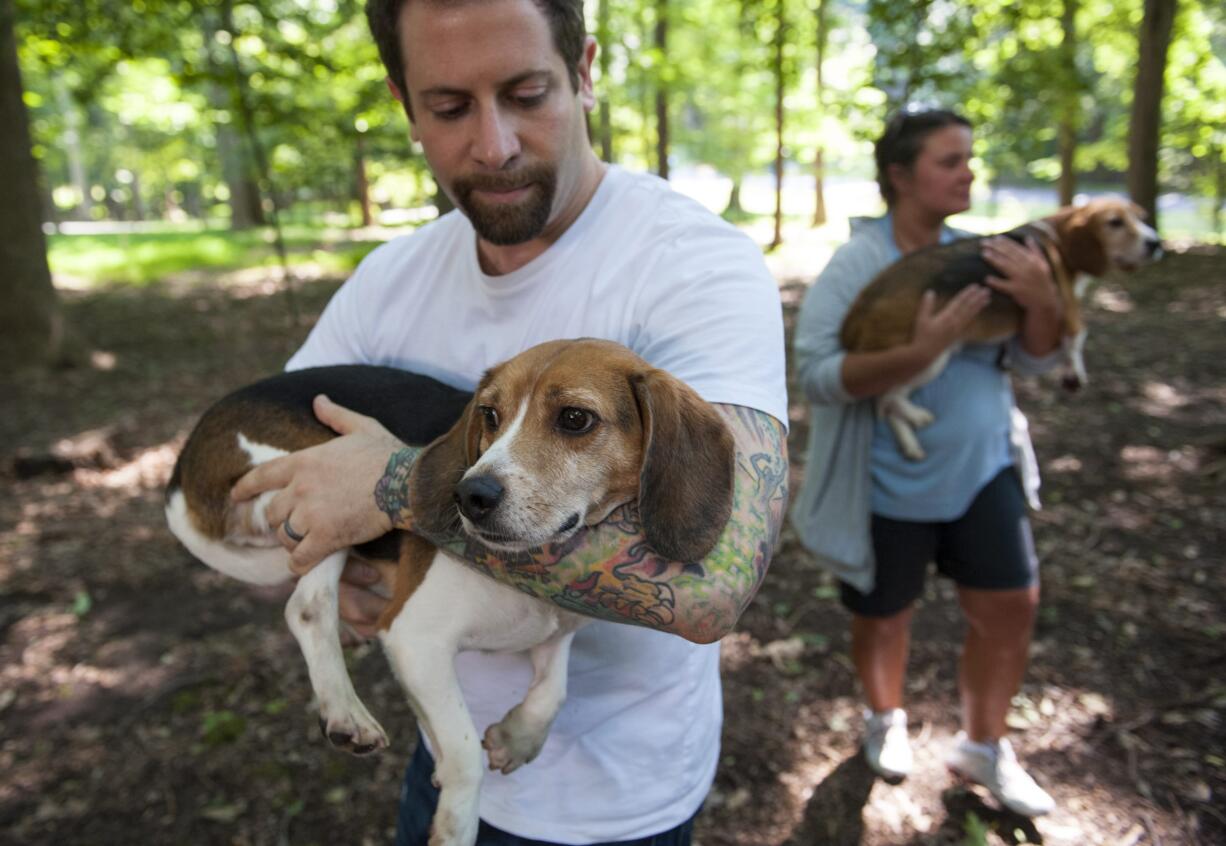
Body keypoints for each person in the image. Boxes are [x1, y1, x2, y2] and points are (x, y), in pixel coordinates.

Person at [230, 0, 789, 843]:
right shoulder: (391, 278)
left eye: (527, 94)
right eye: (450, 107)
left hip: (619, 797)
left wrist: (391, 489)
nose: (493, 145)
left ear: (585, 70)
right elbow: (258, 481)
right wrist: (338, 562)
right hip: (440, 753)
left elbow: (713, 583)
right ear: (404, 105)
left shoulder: (694, 266)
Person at [790, 107, 1060, 817]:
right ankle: (885, 718)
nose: (969, 172)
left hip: (984, 468)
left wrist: (1039, 302)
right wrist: (915, 353)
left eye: (970, 159)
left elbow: (1037, 358)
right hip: (885, 482)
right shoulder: (859, 263)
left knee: (1010, 607)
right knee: (885, 615)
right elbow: (816, 372)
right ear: (899, 176)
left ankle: (984, 745)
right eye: (951, 161)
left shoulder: (983, 256)